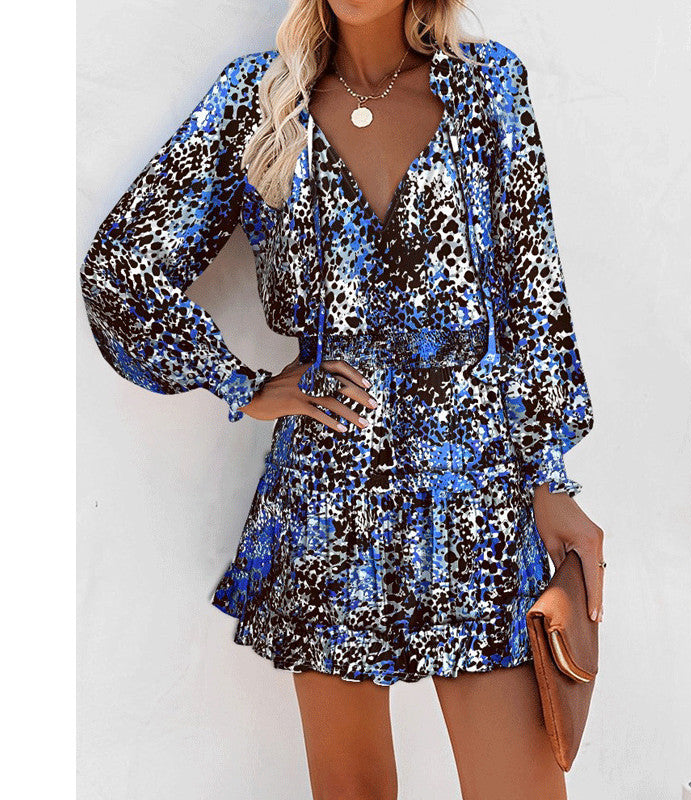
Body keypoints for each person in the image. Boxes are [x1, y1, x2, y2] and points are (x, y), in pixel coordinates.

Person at [79, 1, 605, 798]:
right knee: (350, 790)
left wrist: (549, 476)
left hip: (476, 492)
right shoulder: (258, 102)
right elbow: (120, 268)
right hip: (327, 495)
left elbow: (532, 297)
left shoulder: (487, 86)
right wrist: (243, 385)